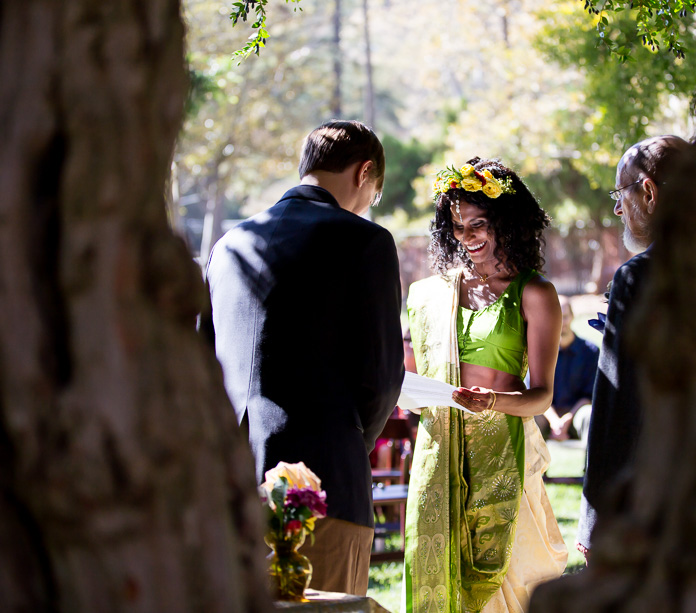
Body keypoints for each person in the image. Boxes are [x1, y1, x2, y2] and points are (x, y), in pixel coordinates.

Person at [199, 120, 404, 596]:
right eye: (373, 193)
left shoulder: (227, 247)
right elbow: (380, 379)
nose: (368, 203)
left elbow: (199, 364)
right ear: (365, 172)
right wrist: (352, 440)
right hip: (324, 482)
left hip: (226, 485)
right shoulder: (366, 242)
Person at [403, 158, 568, 613]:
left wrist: (492, 400)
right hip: (441, 446)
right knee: (442, 568)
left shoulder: (534, 294)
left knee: (512, 579)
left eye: (479, 224)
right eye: (457, 227)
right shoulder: (435, 294)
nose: (467, 237)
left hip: (504, 448)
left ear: (508, 224)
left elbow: (543, 396)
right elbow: (416, 367)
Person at [575, 135, 688, 563]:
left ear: (648, 191)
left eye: (620, 195)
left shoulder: (640, 277)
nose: (618, 210)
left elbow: (616, 408)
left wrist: (594, 518)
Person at [535, 295, 598, 441]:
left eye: (566, 316)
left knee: (589, 415)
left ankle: (591, 464)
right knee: (526, 419)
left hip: (576, 413)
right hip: (546, 413)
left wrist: (567, 420)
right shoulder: (539, 351)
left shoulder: (590, 351)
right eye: (556, 317)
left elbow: (589, 395)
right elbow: (536, 392)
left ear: (573, 317)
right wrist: (555, 421)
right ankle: (527, 465)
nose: (562, 322)